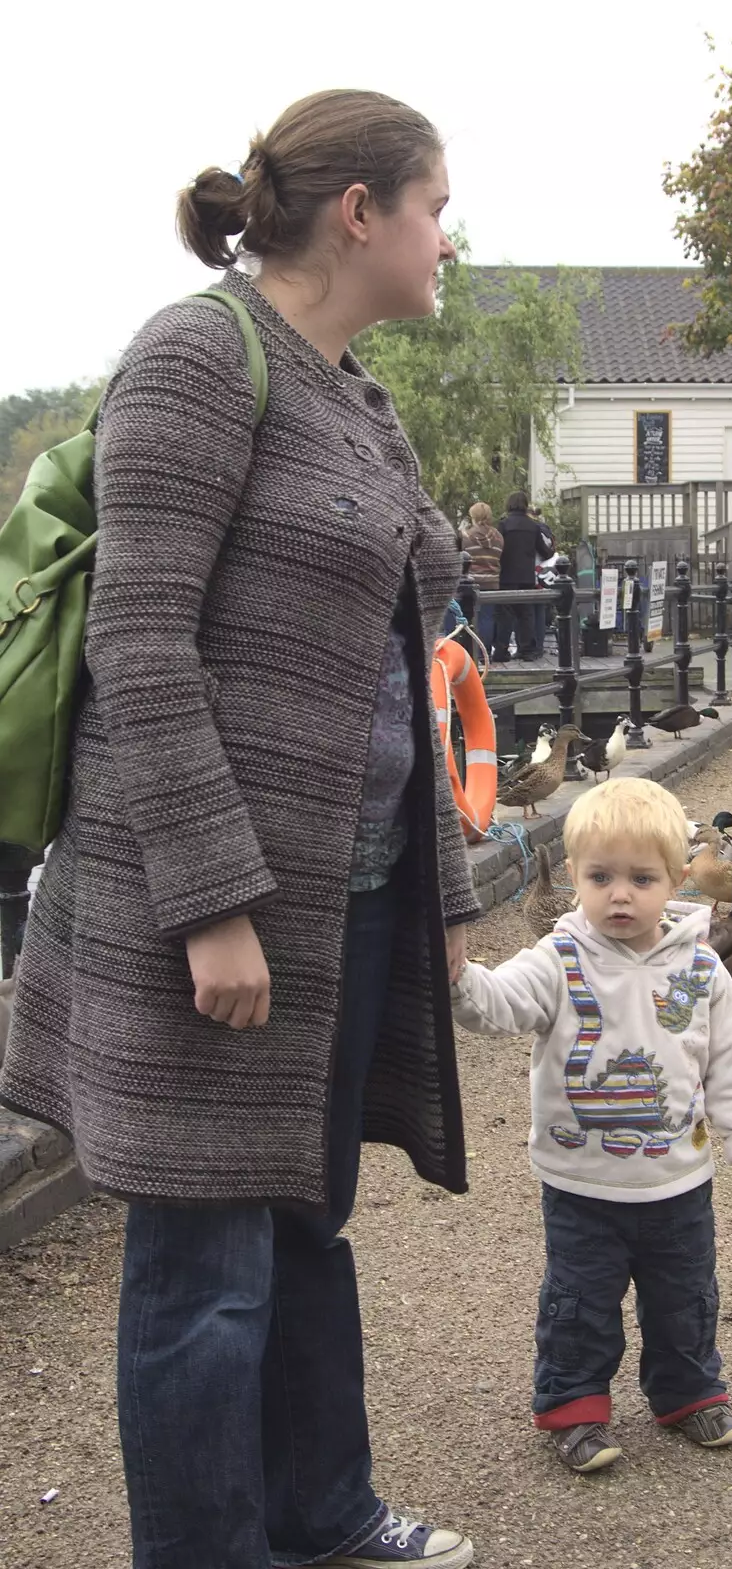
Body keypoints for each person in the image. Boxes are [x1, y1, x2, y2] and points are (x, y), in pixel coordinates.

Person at [0, 90, 479, 1569]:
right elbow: (139, 642)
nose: (448, 236)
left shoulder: (354, 393)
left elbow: (403, 642)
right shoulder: (197, 357)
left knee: (299, 1226)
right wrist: (210, 904)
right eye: (436, 207)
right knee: (203, 1268)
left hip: (346, 897)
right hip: (207, 908)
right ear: (359, 213)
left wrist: (439, 895)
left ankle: (322, 1511)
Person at [449, 778, 732, 1474]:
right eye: (600, 877)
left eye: (640, 878)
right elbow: (496, 1006)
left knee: (686, 1294)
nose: (619, 894)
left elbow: (728, 1060)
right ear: (573, 877)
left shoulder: (699, 967)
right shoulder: (557, 962)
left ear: (677, 879)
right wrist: (458, 977)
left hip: (678, 1180)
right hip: (582, 1183)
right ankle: (572, 1404)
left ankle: (687, 1391)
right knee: (580, 1300)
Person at [493, 491, 552, 663]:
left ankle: (501, 651)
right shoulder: (533, 526)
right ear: (525, 505)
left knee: (504, 614)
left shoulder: (503, 525)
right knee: (525, 614)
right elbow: (545, 551)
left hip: (506, 576)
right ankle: (526, 650)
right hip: (526, 576)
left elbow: (497, 550)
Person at [459, 500, 503, 654]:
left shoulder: (467, 536)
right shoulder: (498, 537)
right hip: (492, 582)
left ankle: (470, 653)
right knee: (487, 618)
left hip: (471, 583)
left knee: (469, 617)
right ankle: (485, 653)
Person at [528, 504, 556, 660]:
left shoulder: (533, 529)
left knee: (528, 611)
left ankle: (532, 645)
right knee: (540, 610)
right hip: (545, 573)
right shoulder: (546, 530)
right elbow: (549, 551)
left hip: (531, 570)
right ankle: (539, 645)